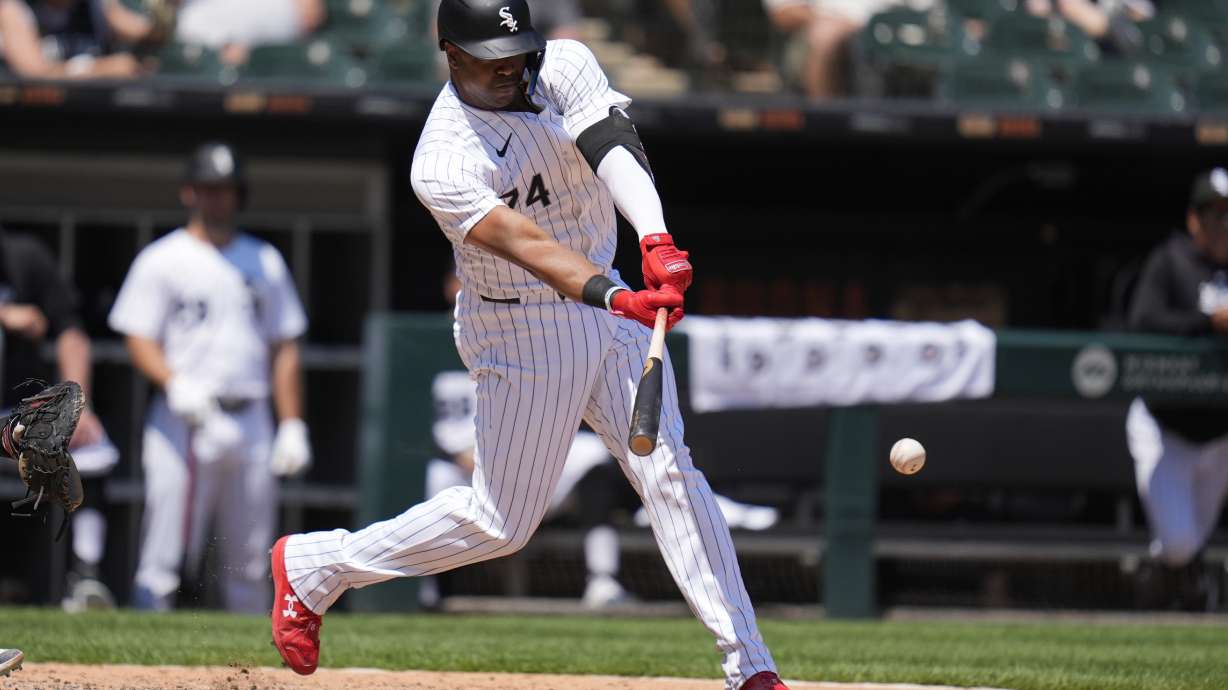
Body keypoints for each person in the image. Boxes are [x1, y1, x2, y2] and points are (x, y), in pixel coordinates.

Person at [270, 3, 788, 689]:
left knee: (669, 472)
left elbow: (612, 143)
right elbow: (527, 245)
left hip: (608, 297)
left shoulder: (565, 64)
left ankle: (750, 667)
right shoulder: (443, 158)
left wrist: (655, 238)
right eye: (493, 56)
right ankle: (317, 565)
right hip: (522, 326)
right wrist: (615, 294)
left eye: (517, 49)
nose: (513, 67)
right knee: (502, 523)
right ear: (452, 54)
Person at [109, 141, 311, 613]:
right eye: (208, 189)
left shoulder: (264, 260)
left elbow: (284, 345)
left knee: (250, 555)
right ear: (190, 193)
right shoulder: (163, 258)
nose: (218, 199)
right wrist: (174, 382)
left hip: (251, 413)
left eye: (226, 190)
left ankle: (253, 664)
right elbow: (137, 335)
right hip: (185, 414)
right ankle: (142, 655)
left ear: (240, 195)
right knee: (166, 547)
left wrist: (292, 423)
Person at [1125, 167, 1228, 611]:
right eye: (1214, 215)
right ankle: (1163, 570)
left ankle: (1175, 583)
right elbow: (1143, 323)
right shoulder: (1171, 261)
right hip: (1166, 423)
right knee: (1183, 544)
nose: (1223, 225)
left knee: (1190, 544)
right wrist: (1209, 323)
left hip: (1220, 435)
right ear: (1194, 219)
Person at [0, 224, 104, 605]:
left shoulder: (23, 256)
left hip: (15, 412)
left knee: (92, 448)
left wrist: (80, 407)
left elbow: (69, 331)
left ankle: (85, 577)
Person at [0, 0, 142, 78]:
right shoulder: (13, 8)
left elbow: (140, 29)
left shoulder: (99, 6)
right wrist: (98, 69)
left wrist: (160, 20)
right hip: (36, 121)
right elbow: (34, 75)